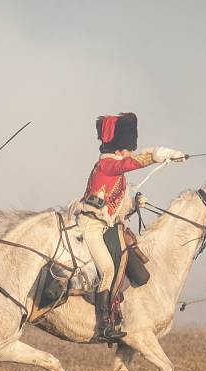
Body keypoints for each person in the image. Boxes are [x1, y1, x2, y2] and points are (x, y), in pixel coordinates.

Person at [79, 112, 184, 341]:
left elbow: (113, 206)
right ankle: (104, 323)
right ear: (119, 149)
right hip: (91, 227)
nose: (130, 153)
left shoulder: (114, 169)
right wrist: (161, 154)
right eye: (128, 149)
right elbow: (132, 163)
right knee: (106, 268)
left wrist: (134, 205)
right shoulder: (107, 164)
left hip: (106, 226)